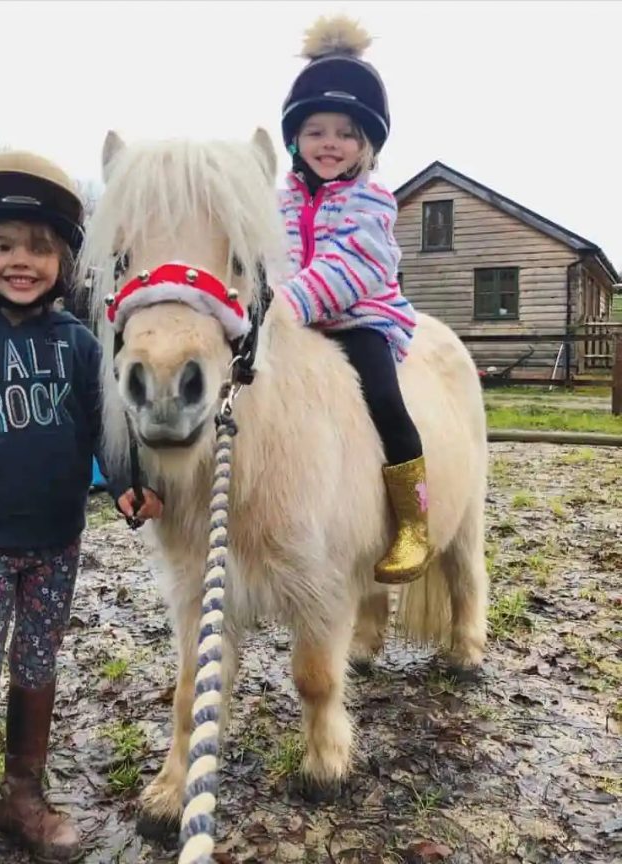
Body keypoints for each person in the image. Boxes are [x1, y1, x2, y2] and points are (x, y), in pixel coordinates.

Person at [0, 150, 161, 864]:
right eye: (3, 245)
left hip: (57, 542)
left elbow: (101, 430)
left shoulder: (78, 346)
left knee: (39, 664)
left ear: (65, 262)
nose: (23, 260)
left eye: (41, 248)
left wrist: (125, 482)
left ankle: (22, 799)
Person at [277, 16, 432, 585]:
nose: (330, 144)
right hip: (297, 322)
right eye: (316, 131)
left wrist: (285, 303)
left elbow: (355, 266)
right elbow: (275, 258)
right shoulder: (282, 200)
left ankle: (414, 519)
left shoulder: (373, 198)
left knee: (384, 401)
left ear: (365, 144)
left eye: (345, 133)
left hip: (363, 319)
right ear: (296, 139)